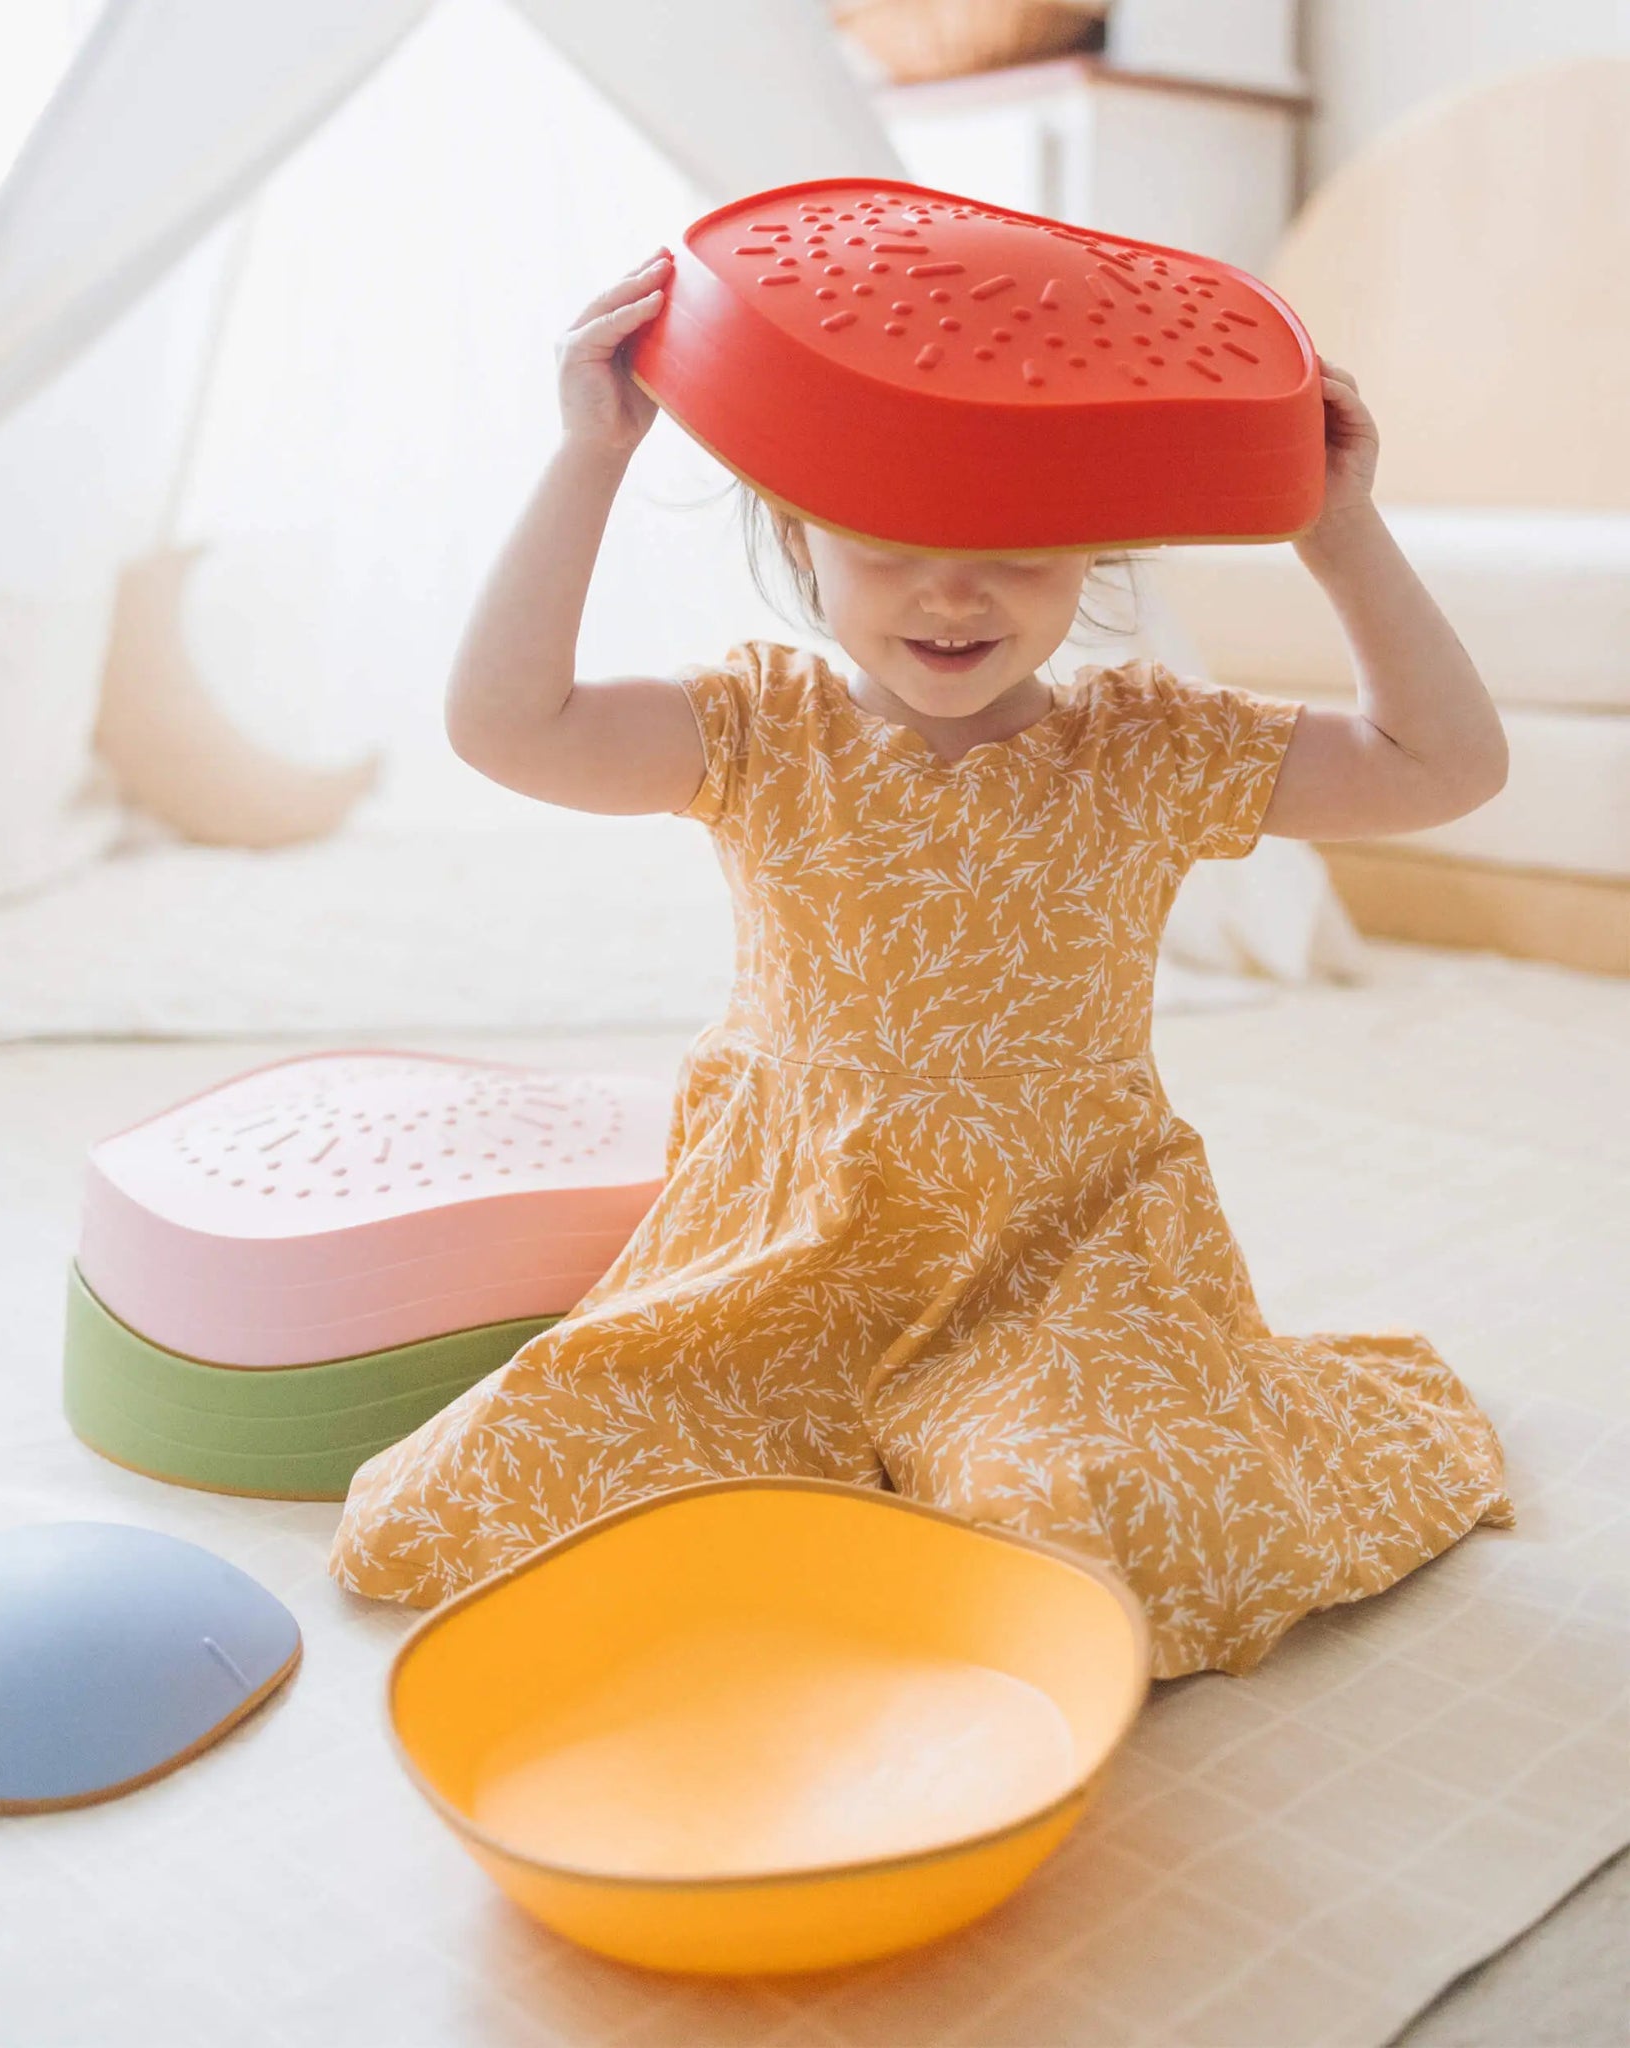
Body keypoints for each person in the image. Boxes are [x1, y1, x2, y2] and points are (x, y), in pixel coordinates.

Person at [328, 245, 1516, 1679]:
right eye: (891, 543)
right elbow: (507, 725)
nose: (955, 597)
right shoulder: (758, 727)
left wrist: (1340, 531)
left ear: (1100, 551)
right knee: (480, 1490)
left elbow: (1445, 766)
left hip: (1062, 1256)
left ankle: (980, 1510)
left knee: (1079, 1531)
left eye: (1022, 550)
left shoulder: (1148, 746)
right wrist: (592, 458)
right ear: (798, 533)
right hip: (788, 1251)